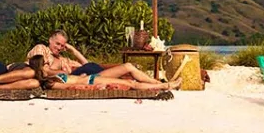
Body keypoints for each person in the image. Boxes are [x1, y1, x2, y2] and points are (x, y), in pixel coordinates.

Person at [0, 29, 163, 90]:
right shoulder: (41, 48)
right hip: (25, 69)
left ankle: (160, 83)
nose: (58, 47)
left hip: (48, 79)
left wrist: (72, 51)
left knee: (33, 82)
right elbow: (41, 68)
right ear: (50, 40)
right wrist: (60, 70)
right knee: (32, 74)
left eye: (62, 45)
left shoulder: (65, 59)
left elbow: (87, 65)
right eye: (57, 44)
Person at [27, 54, 180, 91]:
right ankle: (165, 86)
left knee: (127, 66)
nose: (48, 64)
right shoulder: (49, 82)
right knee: (130, 83)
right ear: (41, 67)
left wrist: (76, 76)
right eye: (45, 63)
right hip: (91, 81)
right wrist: (91, 87)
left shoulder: (53, 75)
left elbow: (71, 80)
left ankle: (158, 83)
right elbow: (70, 87)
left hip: (90, 77)